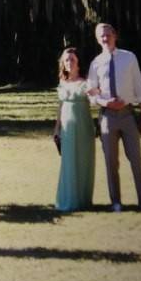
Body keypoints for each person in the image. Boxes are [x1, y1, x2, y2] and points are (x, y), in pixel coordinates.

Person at [86, 23, 141, 212]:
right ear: (98, 40)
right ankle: (116, 202)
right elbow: (91, 94)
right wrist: (106, 103)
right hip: (107, 118)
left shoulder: (129, 58)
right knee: (111, 162)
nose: (105, 39)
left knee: (136, 159)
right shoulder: (96, 63)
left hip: (128, 115)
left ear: (115, 35)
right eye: (101, 37)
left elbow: (139, 87)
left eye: (108, 35)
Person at [54, 47, 95, 212]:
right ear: (63, 64)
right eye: (66, 60)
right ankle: (69, 199)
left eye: (72, 59)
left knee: (83, 161)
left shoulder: (86, 82)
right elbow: (60, 106)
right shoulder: (62, 83)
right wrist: (56, 128)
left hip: (83, 127)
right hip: (67, 128)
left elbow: (94, 101)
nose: (69, 63)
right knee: (68, 162)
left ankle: (83, 200)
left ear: (78, 63)